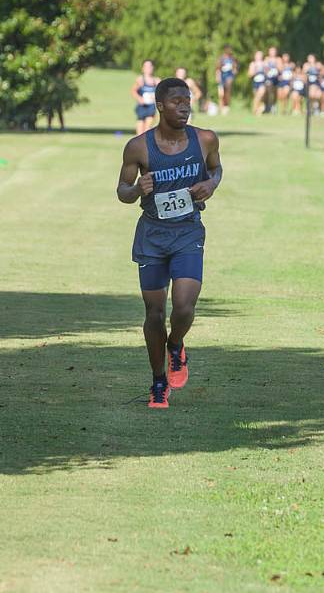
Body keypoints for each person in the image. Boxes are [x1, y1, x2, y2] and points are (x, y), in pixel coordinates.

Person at [116, 77, 223, 409]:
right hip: (152, 236)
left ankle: (175, 345)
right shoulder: (138, 147)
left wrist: (212, 185)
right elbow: (122, 190)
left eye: (187, 101)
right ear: (160, 106)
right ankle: (158, 381)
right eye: (177, 101)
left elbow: (216, 169)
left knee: (184, 307)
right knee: (154, 313)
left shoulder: (205, 139)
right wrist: (137, 190)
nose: (184, 106)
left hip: (188, 232)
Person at [132, 60, 159, 135]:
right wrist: (139, 98)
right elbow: (133, 91)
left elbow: (162, 93)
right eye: (146, 67)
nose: (148, 68)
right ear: (143, 68)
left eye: (150, 66)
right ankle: (139, 145)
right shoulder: (140, 80)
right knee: (140, 132)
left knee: (147, 129)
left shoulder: (156, 81)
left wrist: (156, 97)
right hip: (142, 106)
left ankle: (145, 144)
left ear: (153, 68)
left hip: (151, 107)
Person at [215, 45, 238, 115]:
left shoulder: (232, 59)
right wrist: (217, 76)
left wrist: (234, 71)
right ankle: (221, 107)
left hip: (229, 78)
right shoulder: (221, 58)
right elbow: (218, 68)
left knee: (227, 92)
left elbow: (235, 68)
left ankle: (226, 107)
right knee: (221, 94)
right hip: (222, 78)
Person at [249, 50, 267, 115]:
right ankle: (256, 110)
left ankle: (256, 109)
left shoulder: (264, 63)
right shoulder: (252, 64)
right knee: (256, 97)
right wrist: (255, 70)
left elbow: (267, 73)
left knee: (261, 94)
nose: (259, 57)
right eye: (258, 55)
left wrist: (265, 69)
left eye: (260, 55)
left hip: (262, 82)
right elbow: (250, 74)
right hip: (255, 82)